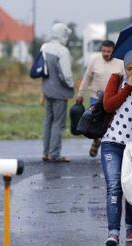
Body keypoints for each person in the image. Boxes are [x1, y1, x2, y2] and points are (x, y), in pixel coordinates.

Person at [100, 49, 132, 246]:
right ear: (124, 68)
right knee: (114, 187)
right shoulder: (117, 79)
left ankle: (130, 227)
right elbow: (108, 106)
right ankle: (113, 232)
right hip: (112, 142)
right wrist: (127, 87)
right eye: (130, 68)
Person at [76, 40, 124, 157]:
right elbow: (87, 77)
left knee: (109, 124)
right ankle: (96, 139)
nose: (106, 54)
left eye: (109, 51)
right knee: (97, 123)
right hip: (96, 98)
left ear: (114, 51)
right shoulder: (95, 61)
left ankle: (105, 147)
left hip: (112, 98)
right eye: (104, 51)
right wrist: (80, 94)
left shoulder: (120, 62)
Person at [40, 23, 75, 162]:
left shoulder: (44, 47)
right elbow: (66, 75)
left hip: (47, 88)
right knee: (58, 123)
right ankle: (54, 153)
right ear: (63, 34)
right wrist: (71, 86)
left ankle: (45, 152)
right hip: (59, 92)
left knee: (48, 121)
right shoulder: (63, 51)